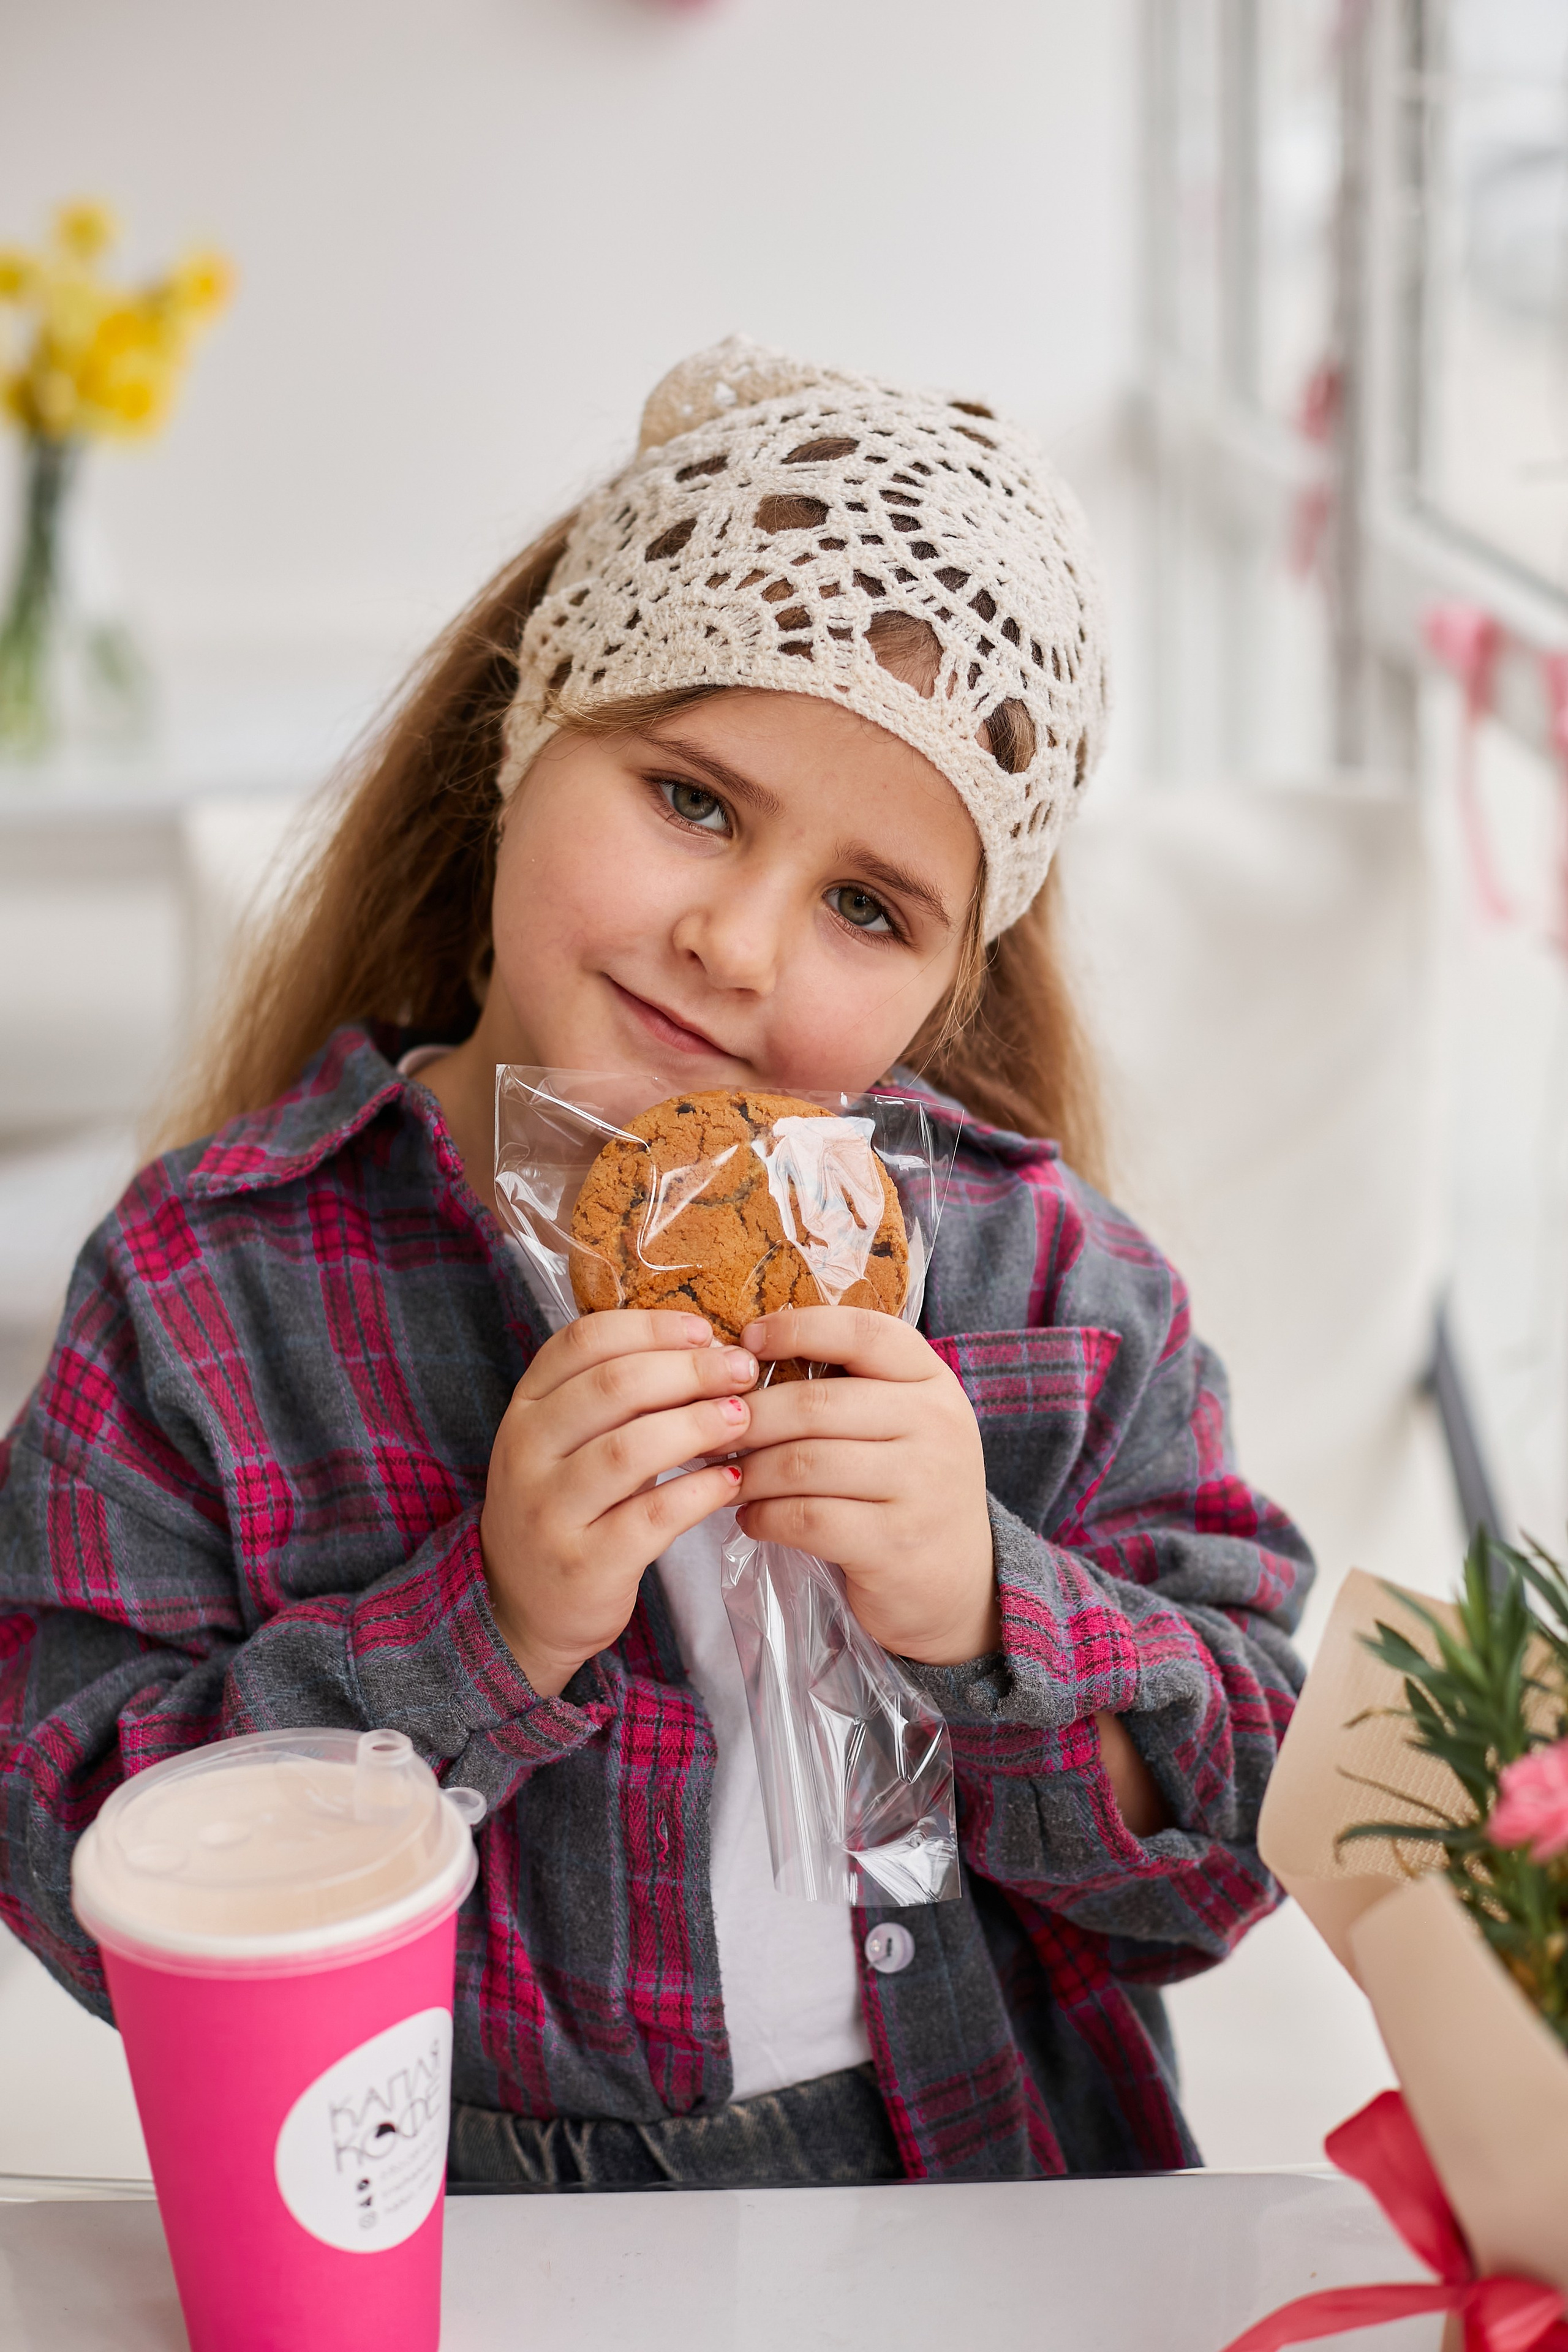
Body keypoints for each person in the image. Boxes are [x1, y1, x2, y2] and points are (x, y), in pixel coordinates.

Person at [0, 338, 1312, 2188]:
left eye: (868, 906)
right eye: (692, 799)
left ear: (955, 976)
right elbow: (71, 1867)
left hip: (988, 2206)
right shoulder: (210, 1290)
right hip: (459, 2238)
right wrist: (481, 1633)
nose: (737, 941)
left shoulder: (1054, 1294)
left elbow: (1255, 1839)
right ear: (528, 738)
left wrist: (981, 1605)